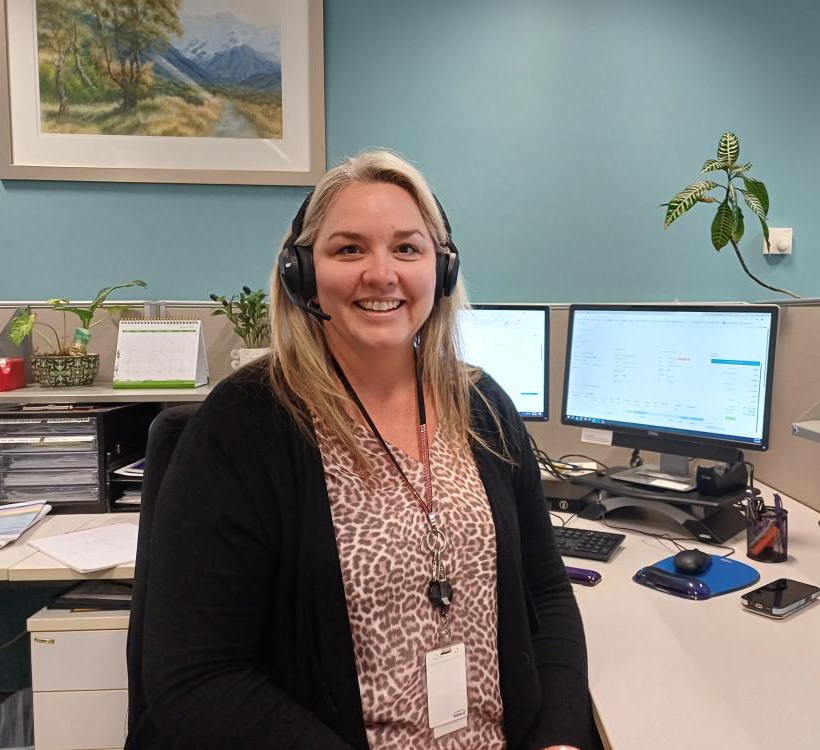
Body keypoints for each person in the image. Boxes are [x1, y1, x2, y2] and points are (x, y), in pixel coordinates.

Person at [130, 150, 594, 749]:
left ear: (442, 269)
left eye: (407, 248)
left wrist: (559, 737)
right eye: (349, 249)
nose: (382, 274)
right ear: (301, 271)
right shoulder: (246, 423)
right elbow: (196, 676)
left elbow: (547, 595)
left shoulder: (483, 407)